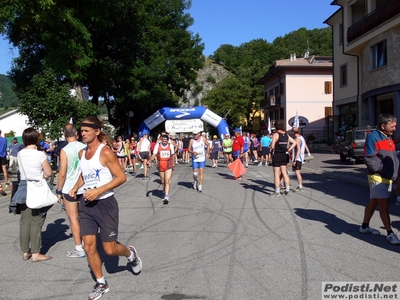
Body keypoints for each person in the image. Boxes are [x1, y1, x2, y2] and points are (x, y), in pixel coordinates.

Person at [68, 116, 142, 300]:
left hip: (105, 204)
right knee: (89, 246)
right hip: (86, 204)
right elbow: (84, 176)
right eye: (81, 131)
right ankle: (101, 282)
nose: (82, 134)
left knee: (109, 249)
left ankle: (130, 254)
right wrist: (76, 187)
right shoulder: (81, 154)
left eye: (86, 131)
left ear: (97, 131)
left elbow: (121, 177)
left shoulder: (106, 152)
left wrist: (99, 190)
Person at [12, 127, 54, 262]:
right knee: (37, 220)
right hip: (36, 187)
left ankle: (25, 251)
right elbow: (48, 173)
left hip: (23, 187)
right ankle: (36, 253)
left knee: (25, 221)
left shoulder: (20, 154)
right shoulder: (40, 155)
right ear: (37, 138)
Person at [359, 114, 400, 245]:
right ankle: (389, 233)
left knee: (374, 202)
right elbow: (369, 157)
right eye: (392, 126)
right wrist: (384, 169)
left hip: (387, 176)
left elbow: (392, 156)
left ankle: (364, 226)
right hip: (378, 176)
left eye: (395, 126)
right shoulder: (373, 137)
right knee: (384, 204)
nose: (394, 129)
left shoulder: (388, 137)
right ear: (383, 126)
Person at [57, 124, 86, 258]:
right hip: (84, 186)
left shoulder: (64, 150)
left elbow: (62, 173)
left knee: (73, 218)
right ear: (77, 134)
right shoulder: (84, 147)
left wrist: (58, 190)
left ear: (64, 135)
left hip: (69, 188)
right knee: (85, 217)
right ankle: (89, 243)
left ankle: (79, 247)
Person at [269, 120, 296, 197]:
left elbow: (273, 146)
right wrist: (289, 149)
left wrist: (271, 146)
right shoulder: (286, 135)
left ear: (276, 127)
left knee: (276, 173)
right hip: (284, 154)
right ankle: (287, 190)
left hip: (277, 154)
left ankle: (277, 191)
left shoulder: (276, 134)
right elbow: (294, 142)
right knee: (284, 172)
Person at [150, 134, 174, 204]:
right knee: (163, 181)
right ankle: (164, 191)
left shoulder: (170, 145)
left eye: (165, 141)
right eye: (163, 141)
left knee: (167, 181)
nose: (164, 142)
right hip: (161, 164)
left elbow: (172, 155)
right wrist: (151, 160)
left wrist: (173, 164)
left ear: (168, 141)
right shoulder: (158, 145)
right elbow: (154, 154)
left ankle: (166, 195)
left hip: (168, 164)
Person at [291, 127, 310, 192]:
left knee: (297, 172)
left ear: (293, 132)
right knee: (294, 169)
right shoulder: (301, 137)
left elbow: (298, 150)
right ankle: (300, 185)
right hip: (301, 156)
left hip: (299, 157)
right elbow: (305, 145)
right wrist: (308, 153)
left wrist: (295, 160)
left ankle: (300, 186)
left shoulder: (297, 139)